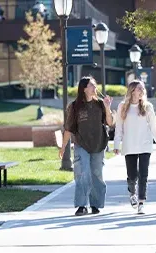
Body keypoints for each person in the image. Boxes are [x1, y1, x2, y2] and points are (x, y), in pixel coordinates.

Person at [59, 76, 113, 216]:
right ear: (84, 89)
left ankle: (95, 204)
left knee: (97, 175)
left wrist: (107, 107)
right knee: (83, 173)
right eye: (91, 85)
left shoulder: (100, 104)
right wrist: (63, 147)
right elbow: (69, 128)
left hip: (98, 144)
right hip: (81, 144)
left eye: (95, 85)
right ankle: (82, 205)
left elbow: (110, 122)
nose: (95, 88)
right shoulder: (75, 106)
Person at [113, 80, 156, 214]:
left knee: (143, 175)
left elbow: (154, 127)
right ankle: (132, 194)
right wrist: (116, 144)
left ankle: (141, 202)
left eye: (143, 88)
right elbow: (119, 127)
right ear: (132, 91)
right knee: (132, 176)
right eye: (139, 88)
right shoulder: (122, 107)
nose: (142, 91)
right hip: (129, 145)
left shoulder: (148, 107)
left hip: (145, 145)